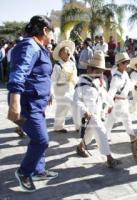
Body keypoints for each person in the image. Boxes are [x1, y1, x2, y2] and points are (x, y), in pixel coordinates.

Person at [7, 15, 58, 192]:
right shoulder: (29, 45)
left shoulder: (39, 47)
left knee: (39, 137)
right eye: (52, 32)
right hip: (27, 104)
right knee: (41, 140)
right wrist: (14, 103)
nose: (53, 36)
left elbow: (40, 75)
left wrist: (47, 93)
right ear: (45, 30)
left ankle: (38, 170)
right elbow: (18, 74)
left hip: (38, 102)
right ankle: (24, 172)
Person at [72, 51, 122, 167]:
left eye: (101, 71)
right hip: (86, 115)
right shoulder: (81, 83)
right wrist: (85, 111)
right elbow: (76, 101)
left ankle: (80, 147)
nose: (100, 73)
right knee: (101, 131)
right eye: (97, 70)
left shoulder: (98, 82)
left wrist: (111, 104)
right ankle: (109, 158)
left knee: (89, 135)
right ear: (89, 69)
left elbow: (104, 95)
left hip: (97, 113)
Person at [105, 52, 137, 164]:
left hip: (124, 101)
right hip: (117, 102)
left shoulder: (124, 74)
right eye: (126, 63)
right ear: (120, 64)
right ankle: (132, 136)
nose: (128, 65)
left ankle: (102, 137)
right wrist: (110, 105)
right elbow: (110, 93)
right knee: (124, 119)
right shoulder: (116, 78)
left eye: (128, 62)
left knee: (110, 123)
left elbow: (130, 85)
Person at [51, 40, 78, 133]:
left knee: (64, 108)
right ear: (61, 54)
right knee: (70, 106)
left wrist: (78, 86)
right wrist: (51, 92)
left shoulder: (72, 64)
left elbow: (75, 77)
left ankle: (58, 127)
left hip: (71, 89)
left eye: (69, 51)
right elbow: (53, 79)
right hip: (61, 90)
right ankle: (79, 126)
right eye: (66, 51)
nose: (68, 53)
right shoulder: (57, 66)